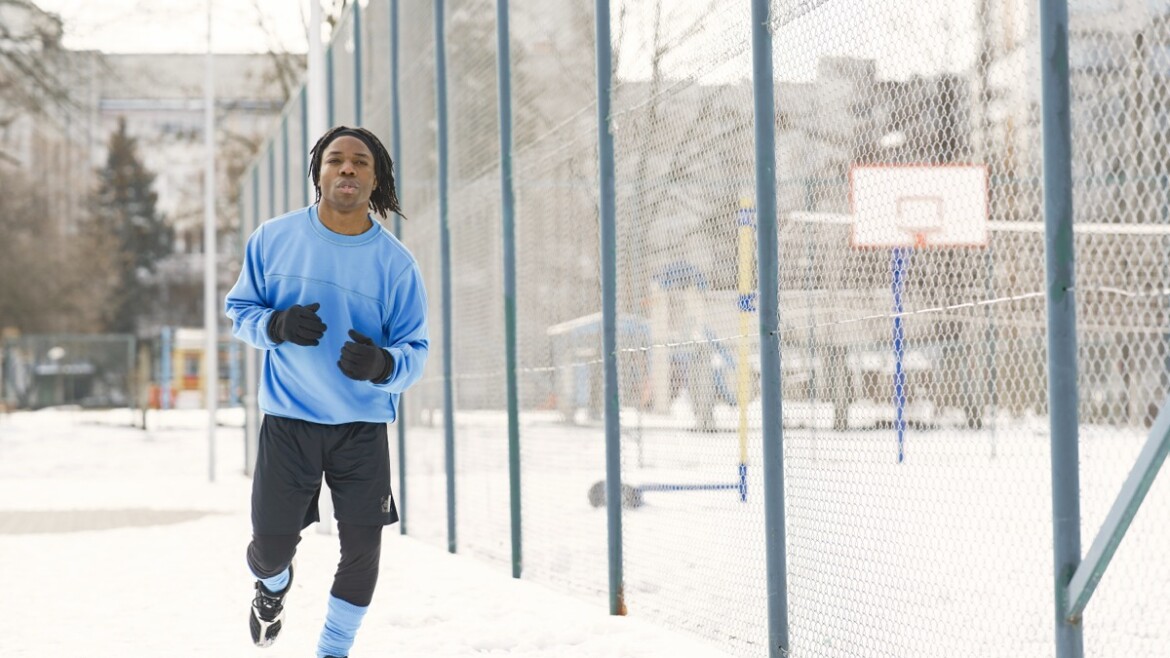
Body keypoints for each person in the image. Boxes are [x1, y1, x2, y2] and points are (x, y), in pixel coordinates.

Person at [225, 125, 428, 658]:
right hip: (289, 422)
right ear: (317, 171)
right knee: (270, 551)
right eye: (335, 159)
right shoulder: (273, 238)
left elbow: (417, 352)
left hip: (361, 428)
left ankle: (332, 650)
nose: (347, 169)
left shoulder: (396, 265)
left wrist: (383, 363)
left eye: (361, 162)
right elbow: (239, 313)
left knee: (362, 552)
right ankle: (271, 590)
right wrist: (277, 326)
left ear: (376, 177)